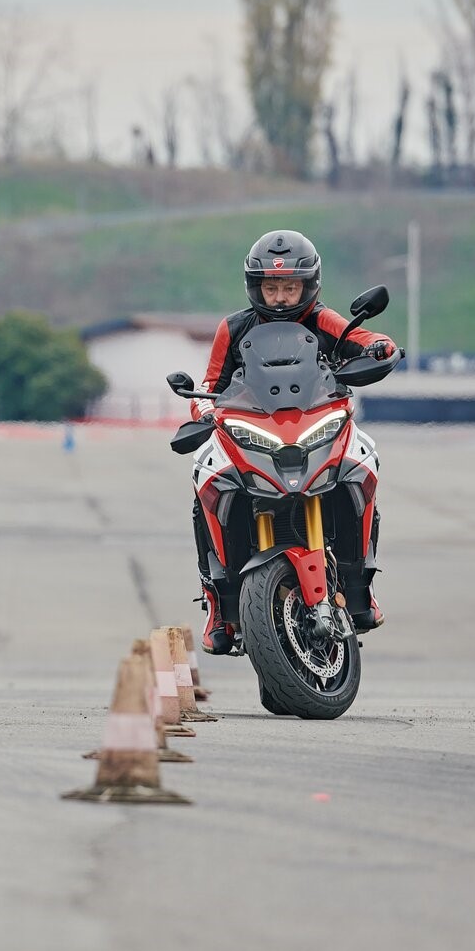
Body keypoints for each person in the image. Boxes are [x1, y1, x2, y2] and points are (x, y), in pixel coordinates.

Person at [190, 229, 395, 653]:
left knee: (363, 462)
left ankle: (359, 583)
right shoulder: (232, 329)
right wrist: (205, 411)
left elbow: (366, 341)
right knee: (205, 480)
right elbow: (210, 385)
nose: (281, 297)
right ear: (255, 287)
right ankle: (217, 601)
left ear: (309, 285)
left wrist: (379, 346)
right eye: (271, 287)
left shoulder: (323, 319)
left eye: (289, 287)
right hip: (254, 431)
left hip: (315, 425)